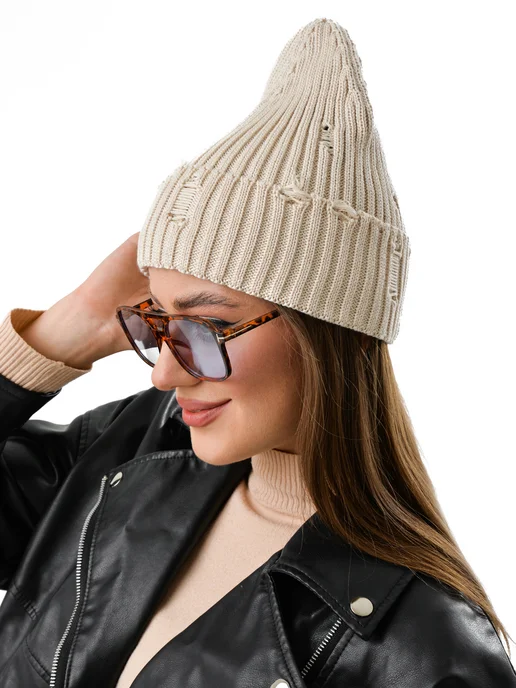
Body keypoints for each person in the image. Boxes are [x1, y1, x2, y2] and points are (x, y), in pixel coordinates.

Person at [0, 16, 515, 688]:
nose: (164, 373)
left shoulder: (419, 646)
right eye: (158, 324)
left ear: (329, 330)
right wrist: (58, 336)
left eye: (206, 328)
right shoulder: (129, 458)